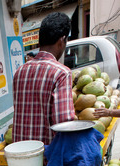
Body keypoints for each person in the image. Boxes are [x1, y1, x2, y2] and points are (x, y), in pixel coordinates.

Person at [12, 12, 76, 145]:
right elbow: (63, 123)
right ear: (61, 40)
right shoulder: (61, 73)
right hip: (47, 158)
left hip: (20, 156)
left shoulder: (20, 71)